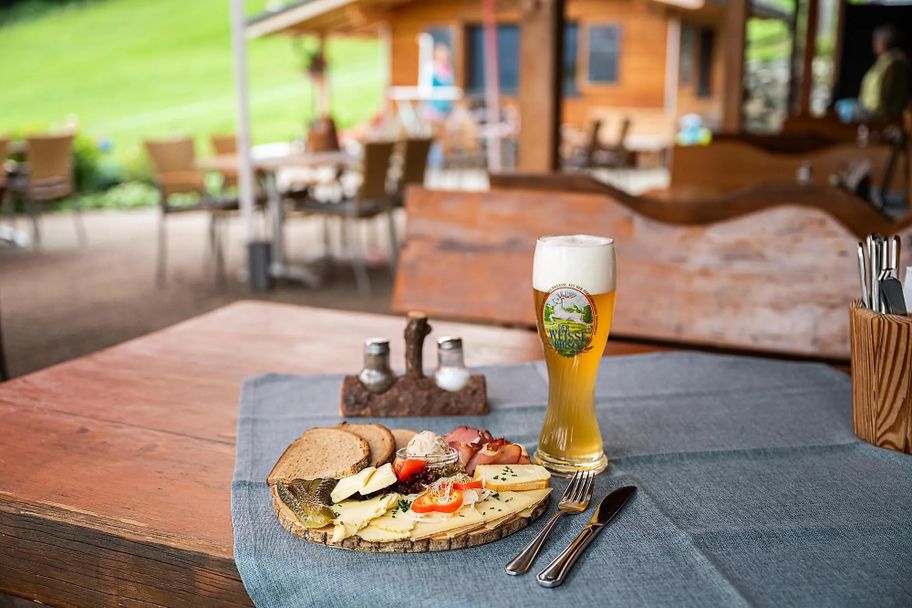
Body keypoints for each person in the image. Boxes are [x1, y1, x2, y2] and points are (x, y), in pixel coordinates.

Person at [859, 25, 910, 122]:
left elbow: (882, 93)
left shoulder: (891, 64)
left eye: (875, 41)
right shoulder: (887, 61)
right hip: (877, 112)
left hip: (880, 115)